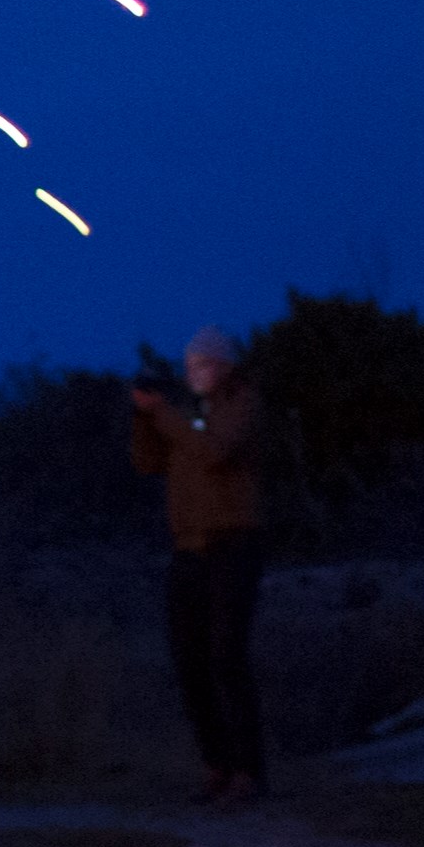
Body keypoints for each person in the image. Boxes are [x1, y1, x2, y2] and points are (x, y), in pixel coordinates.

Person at [129, 327, 270, 805]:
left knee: (227, 655)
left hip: (234, 543)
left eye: (206, 364)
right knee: (190, 661)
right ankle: (217, 766)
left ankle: (249, 772)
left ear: (226, 365)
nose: (197, 373)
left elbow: (213, 449)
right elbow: (148, 462)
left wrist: (164, 415)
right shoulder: (184, 416)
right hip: (187, 548)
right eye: (191, 366)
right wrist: (143, 416)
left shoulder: (244, 405)